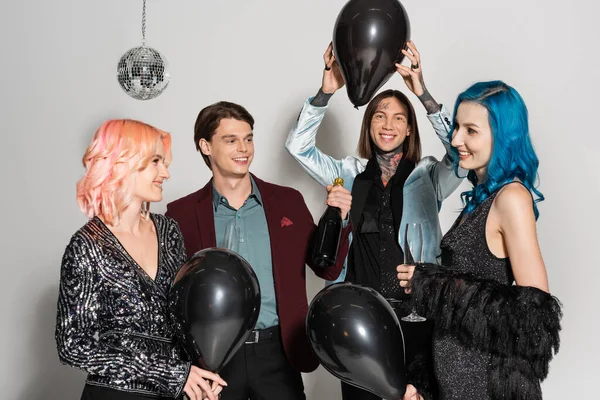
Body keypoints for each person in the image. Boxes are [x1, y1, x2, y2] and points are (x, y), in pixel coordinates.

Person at [285, 41, 462, 400]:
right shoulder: (346, 173)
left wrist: (423, 94)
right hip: (359, 322)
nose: (388, 124)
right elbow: (297, 147)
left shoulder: (430, 176)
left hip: (417, 319)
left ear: (410, 129)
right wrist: (326, 91)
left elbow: (461, 154)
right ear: (369, 125)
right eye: (380, 115)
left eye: (399, 117)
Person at [165, 101, 353, 400]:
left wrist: (340, 219)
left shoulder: (288, 201)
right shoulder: (181, 214)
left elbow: (327, 268)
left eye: (249, 138)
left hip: (278, 353)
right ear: (205, 146)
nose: (244, 148)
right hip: (213, 359)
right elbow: (171, 297)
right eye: (231, 140)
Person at [399, 81, 562, 400]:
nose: (456, 139)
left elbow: (534, 318)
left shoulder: (511, 198)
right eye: (457, 127)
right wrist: (423, 382)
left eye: (470, 130)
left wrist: (434, 284)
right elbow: (460, 320)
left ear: (502, 137)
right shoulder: (480, 200)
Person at [55, 119, 225, 400]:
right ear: (122, 164)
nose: (166, 173)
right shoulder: (87, 245)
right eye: (156, 161)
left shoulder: (169, 231)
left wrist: (199, 376)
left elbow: (180, 319)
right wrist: (171, 374)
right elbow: (73, 346)